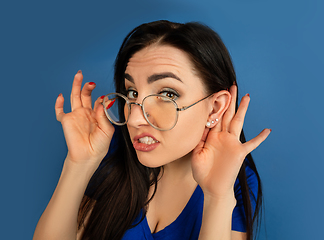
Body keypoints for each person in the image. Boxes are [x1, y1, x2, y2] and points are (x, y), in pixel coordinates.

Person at [33, 20, 271, 240]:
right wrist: (79, 164)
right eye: (132, 93)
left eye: (167, 94)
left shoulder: (234, 180)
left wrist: (217, 198)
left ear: (215, 108)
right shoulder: (114, 152)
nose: (135, 118)